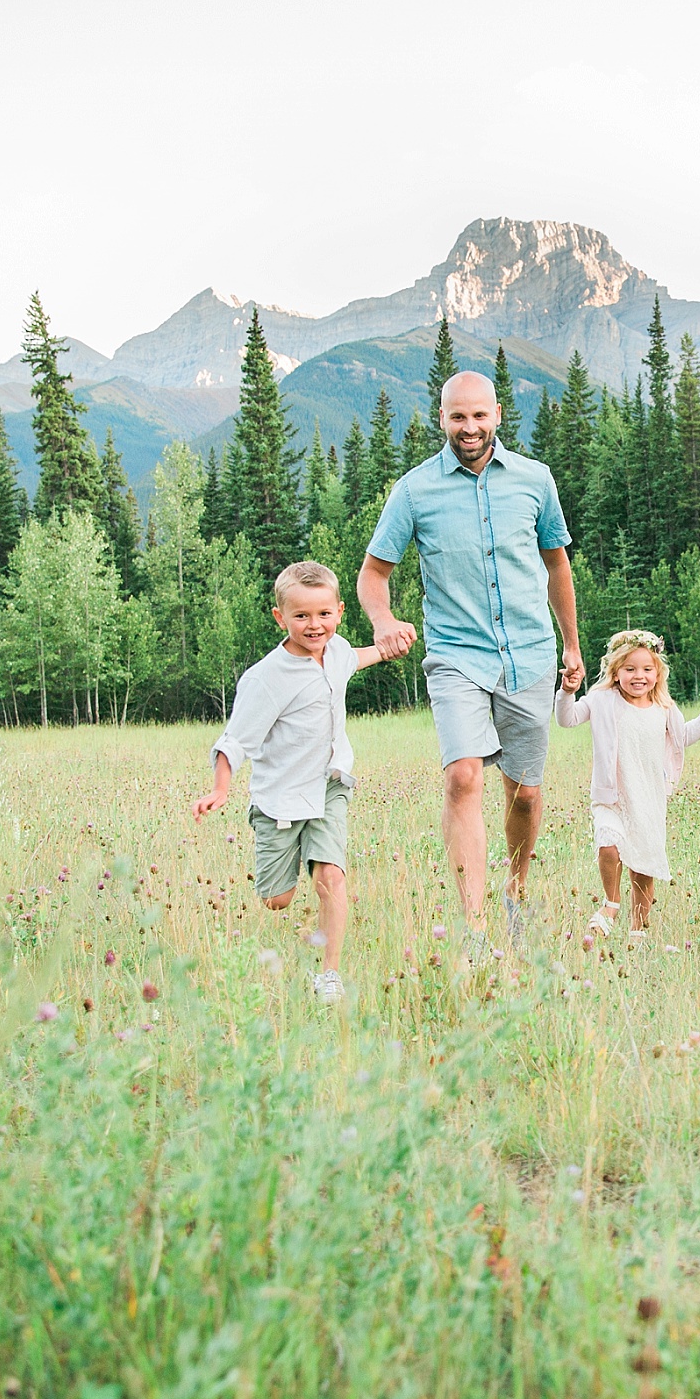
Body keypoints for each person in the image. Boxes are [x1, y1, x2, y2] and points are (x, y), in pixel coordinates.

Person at [357, 370, 581, 952]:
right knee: (462, 778)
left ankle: (516, 889)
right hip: (456, 656)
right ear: (442, 419)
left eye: (479, 416)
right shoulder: (414, 491)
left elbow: (557, 565)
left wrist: (573, 645)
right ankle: (476, 928)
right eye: (458, 417)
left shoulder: (536, 480)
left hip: (530, 653)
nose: (470, 427)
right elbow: (373, 574)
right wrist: (383, 621)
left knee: (525, 793)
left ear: (498, 415)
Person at [191, 561, 395, 1003]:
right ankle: (291, 877)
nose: (314, 625)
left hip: (329, 783)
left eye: (323, 614)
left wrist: (389, 647)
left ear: (340, 611)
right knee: (277, 900)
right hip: (280, 799)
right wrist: (220, 788)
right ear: (279, 617)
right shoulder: (265, 679)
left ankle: (328, 977)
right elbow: (234, 740)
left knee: (331, 877)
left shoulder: (336, 650)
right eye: (301, 616)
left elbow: (353, 659)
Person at [555, 628, 700, 941]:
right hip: (611, 797)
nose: (639, 676)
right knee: (609, 844)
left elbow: (684, 737)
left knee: (643, 866)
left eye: (647, 669)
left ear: (657, 674)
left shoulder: (664, 709)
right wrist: (567, 692)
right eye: (630, 669)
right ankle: (611, 904)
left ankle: (639, 930)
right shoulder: (602, 700)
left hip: (648, 797)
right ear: (616, 672)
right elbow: (567, 719)